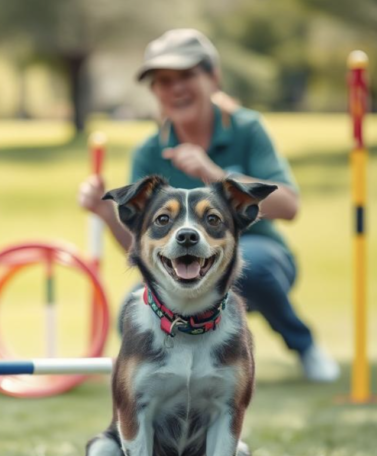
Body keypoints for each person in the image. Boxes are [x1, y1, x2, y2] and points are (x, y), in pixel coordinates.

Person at [78, 28, 339, 383]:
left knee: (253, 265)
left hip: (259, 257)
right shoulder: (148, 152)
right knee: (131, 308)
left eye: (186, 75)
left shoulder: (247, 128)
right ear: (155, 92)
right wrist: (106, 213)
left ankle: (305, 346)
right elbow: (143, 248)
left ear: (213, 77)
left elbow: (290, 205)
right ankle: (173, 377)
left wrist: (215, 176)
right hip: (181, 268)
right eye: (163, 81)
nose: (175, 89)